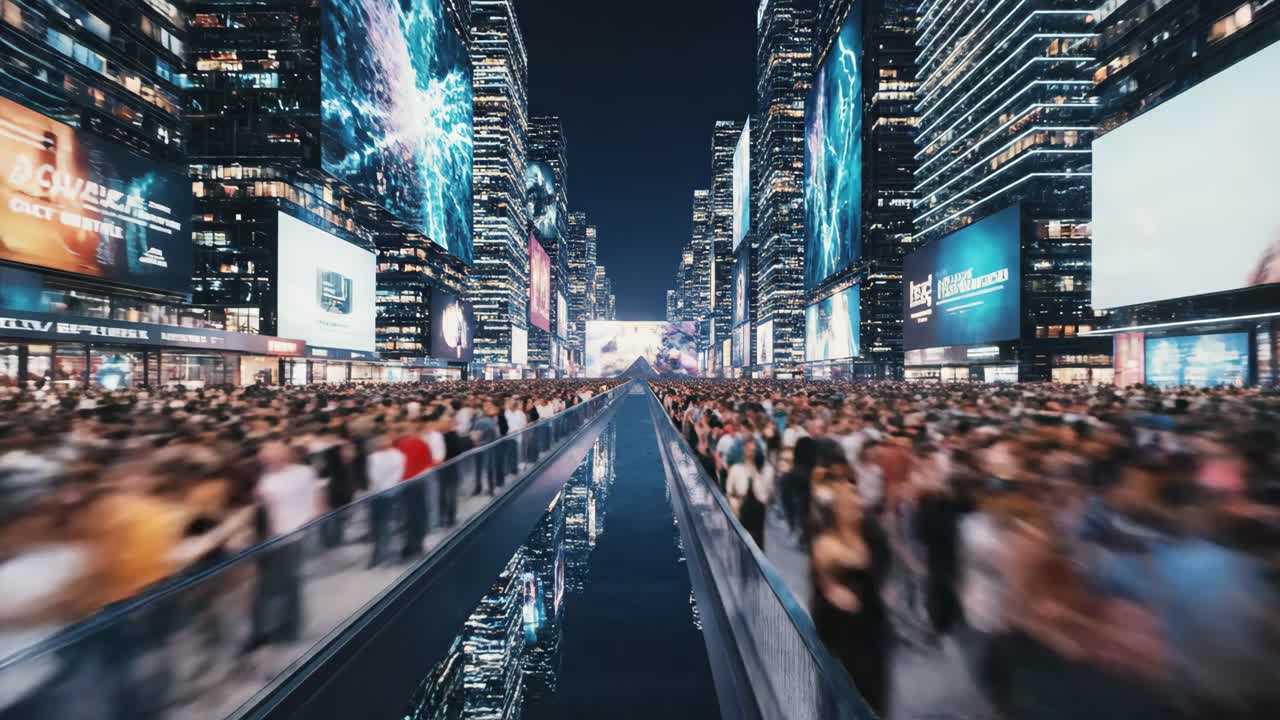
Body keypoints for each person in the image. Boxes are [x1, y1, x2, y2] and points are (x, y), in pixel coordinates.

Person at [809, 477, 891, 716]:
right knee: (839, 694)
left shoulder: (870, 534)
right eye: (848, 500)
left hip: (870, 630)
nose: (855, 503)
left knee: (870, 696)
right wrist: (832, 589)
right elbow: (823, 582)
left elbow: (877, 565)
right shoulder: (825, 543)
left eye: (856, 497)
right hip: (840, 632)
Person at [248, 441, 318, 650]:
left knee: (286, 584)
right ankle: (277, 628)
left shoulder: (275, 480)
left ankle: (287, 629)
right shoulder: (272, 478)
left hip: (287, 536)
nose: (268, 462)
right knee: (279, 584)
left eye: (270, 458)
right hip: (278, 537)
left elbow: (313, 498)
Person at [366, 434, 405, 567]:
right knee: (389, 523)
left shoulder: (372, 458)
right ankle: (388, 552)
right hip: (393, 492)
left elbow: (372, 478)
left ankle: (380, 554)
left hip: (378, 495)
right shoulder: (399, 455)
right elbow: (400, 473)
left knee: (379, 525)